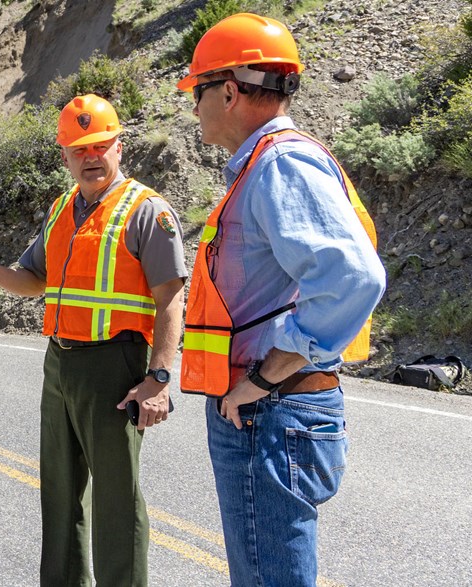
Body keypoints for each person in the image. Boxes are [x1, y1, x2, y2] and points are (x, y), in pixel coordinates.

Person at [177, 13, 386, 586]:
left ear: (228, 89)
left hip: (270, 410)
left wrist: (265, 377)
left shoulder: (279, 163)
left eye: (198, 91)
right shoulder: (269, 163)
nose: (194, 107)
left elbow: (352, 279)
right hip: (270, 408)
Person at [0, 94, 187, 587]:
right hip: (60, 364)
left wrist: (160, 378)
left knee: (116, 497)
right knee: (59, 494)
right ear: (64, 155)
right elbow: (35, 279)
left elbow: (171, 297)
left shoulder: (147, 210)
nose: (91, 156)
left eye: (101, 145)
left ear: (119, 148)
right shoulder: (62, 208)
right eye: (79, 148)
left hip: (115, 365)